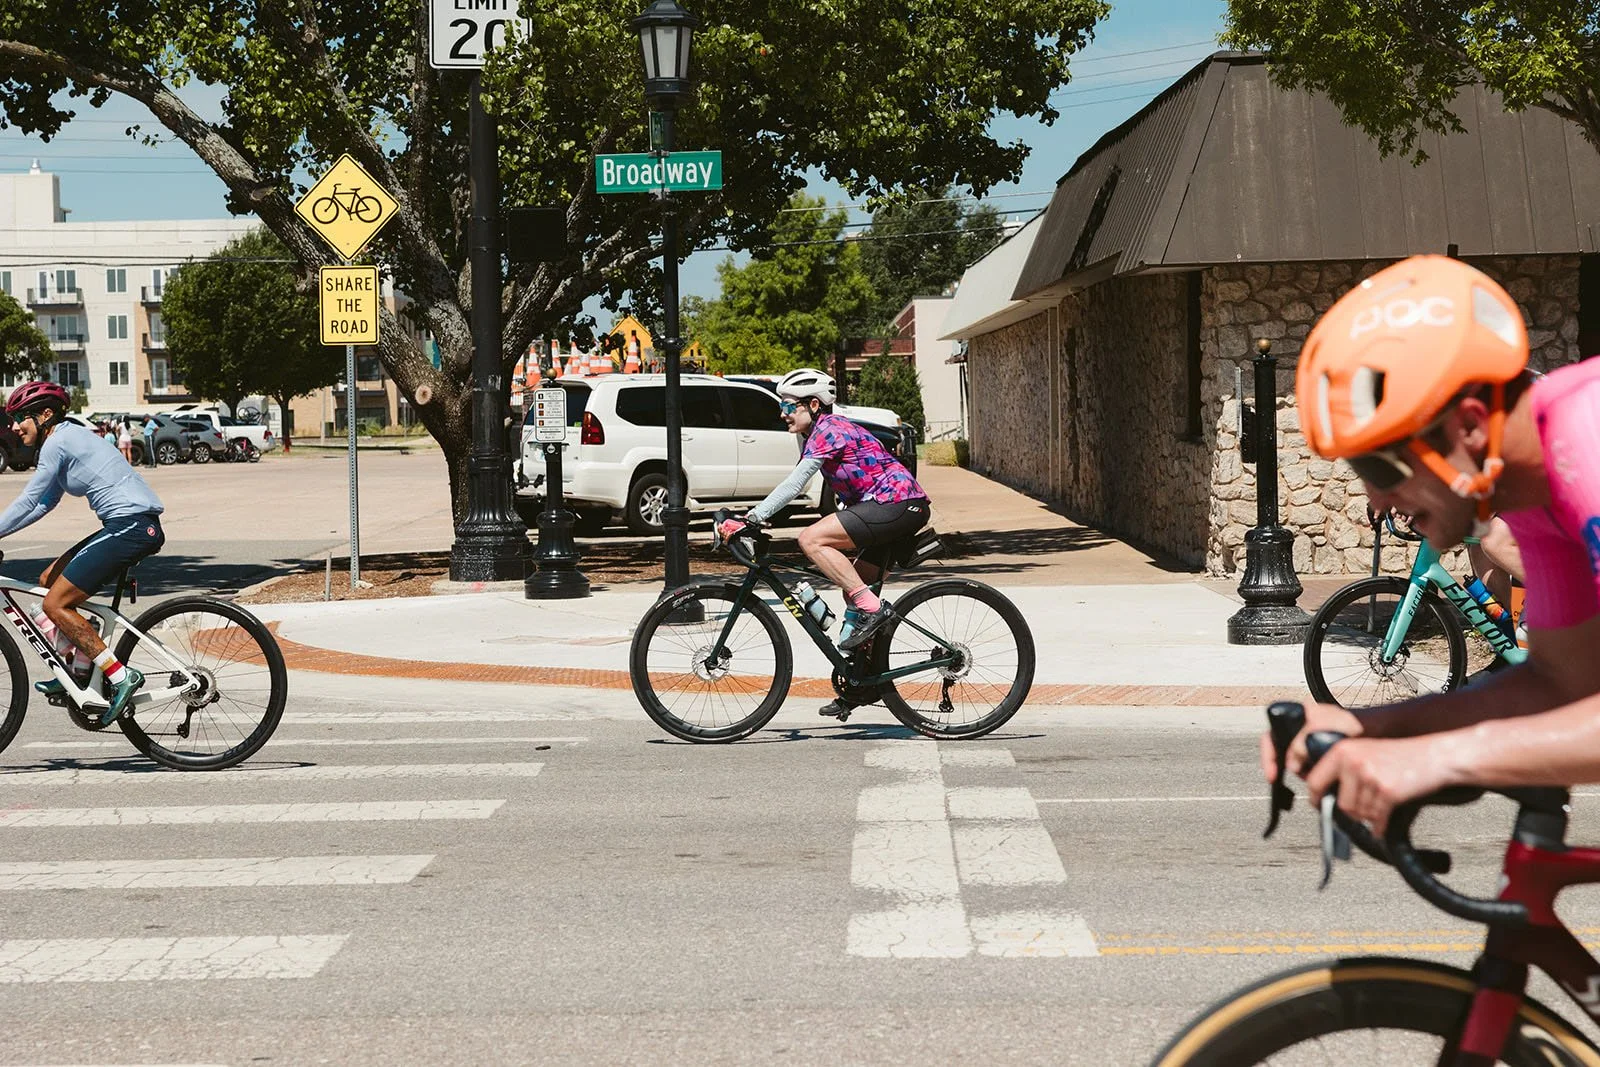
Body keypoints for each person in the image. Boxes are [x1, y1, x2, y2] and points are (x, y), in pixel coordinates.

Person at [1261, 254, 1600, 833]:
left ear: (1468, 426)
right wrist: (1373, 728)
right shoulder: (1535, 487)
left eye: (1383, 466)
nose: (1376, 498)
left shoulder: (1587, 441)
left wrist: (1436, 757)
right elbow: (1560, 684)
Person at [717, 368, 932, 719]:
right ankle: (863, 683)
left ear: (813, 404)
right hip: (891, 506)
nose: (783, 413)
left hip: (897, 503)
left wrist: (752, 518)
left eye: (788, 406)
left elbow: (797, 482)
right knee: (855, 589)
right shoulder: (820, 431)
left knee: (811, 539)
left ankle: (873, 613)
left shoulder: (829, 429)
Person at [0, 381, 164, 725]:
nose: (13, 426)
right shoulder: (65, 438)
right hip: (124, 525)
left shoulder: (59, 441)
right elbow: (43, 503)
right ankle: (80, 667)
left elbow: (30, 500)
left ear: (45, 414)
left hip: (131, 526)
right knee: (49, 581)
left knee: (54, 603)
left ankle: (120, 676)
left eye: (19, 418)